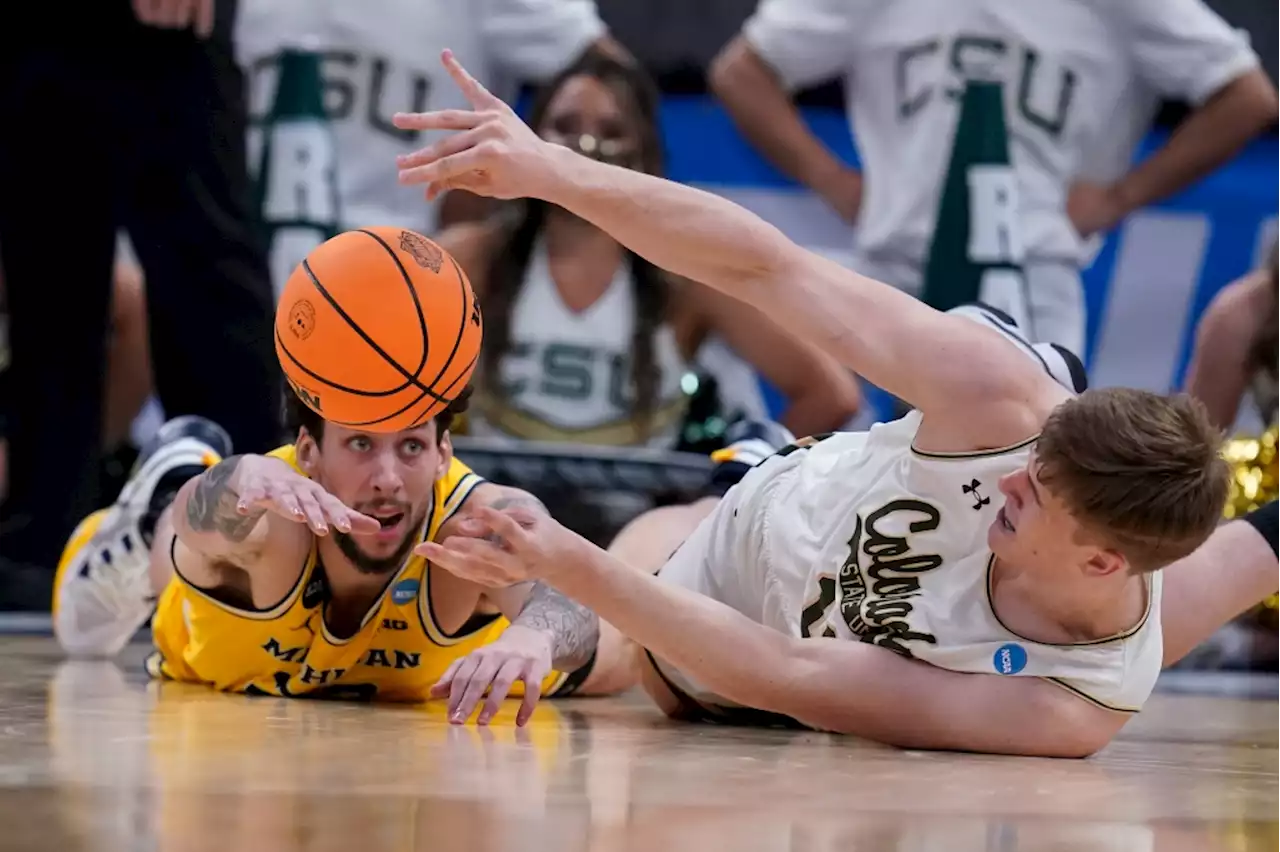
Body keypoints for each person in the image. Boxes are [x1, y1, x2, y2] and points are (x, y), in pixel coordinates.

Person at [392, 51, 1280, 756]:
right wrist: (552, 173)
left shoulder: (1069, 702)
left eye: (1036, 495)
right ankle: (763, 453)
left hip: (736, 631)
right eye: (1030, 463)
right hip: (777, 491)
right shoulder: (1012, 411)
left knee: (600, 643)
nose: (1016, 480)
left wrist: (571, 571)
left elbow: (788, 670)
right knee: (989, 379)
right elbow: (767, 267)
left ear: (1100, 563)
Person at [708, 0, 1278, 356]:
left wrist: (1119, 196)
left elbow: (1246, 95)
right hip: (893, 271)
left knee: (1031, 475)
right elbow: (742, 71)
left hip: (1032, 276)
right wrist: (832, 179)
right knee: (860, 482)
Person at [51, 388, 624, 724]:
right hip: (215, 650)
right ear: (308, 452)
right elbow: (197, 523)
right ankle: (156, 502)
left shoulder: (475, 522)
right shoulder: (277, 501)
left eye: (411, 446)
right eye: (359, 443)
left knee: (621, 659)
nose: (387, 479)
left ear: (444, 453)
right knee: (193, 550)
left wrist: (534, 637)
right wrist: (226, 483)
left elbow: (575, 597)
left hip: (432, 673)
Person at [437, 51, 861, 448]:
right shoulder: (471, 258)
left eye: (612, 131)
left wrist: (737, 490)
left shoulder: (688, 274)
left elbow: (829, 394)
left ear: (644, 153)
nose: (585, 146)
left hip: (642, 517)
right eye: (566, 126)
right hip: (489, 508)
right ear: (529, 139)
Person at [0, 1, 282, 590]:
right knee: (44, 270)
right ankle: (48, 547)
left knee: (203, 267)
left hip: (157, 32)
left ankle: (247, 538)